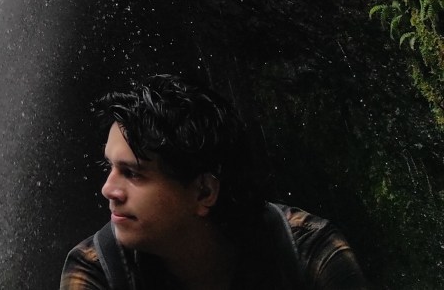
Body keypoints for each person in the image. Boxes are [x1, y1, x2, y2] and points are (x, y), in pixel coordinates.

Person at [60, 74, 368, 289]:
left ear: (204, 191)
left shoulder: (308, 250)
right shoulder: (97, 268)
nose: (107, 189)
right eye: (109, 167)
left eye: (132, 173)